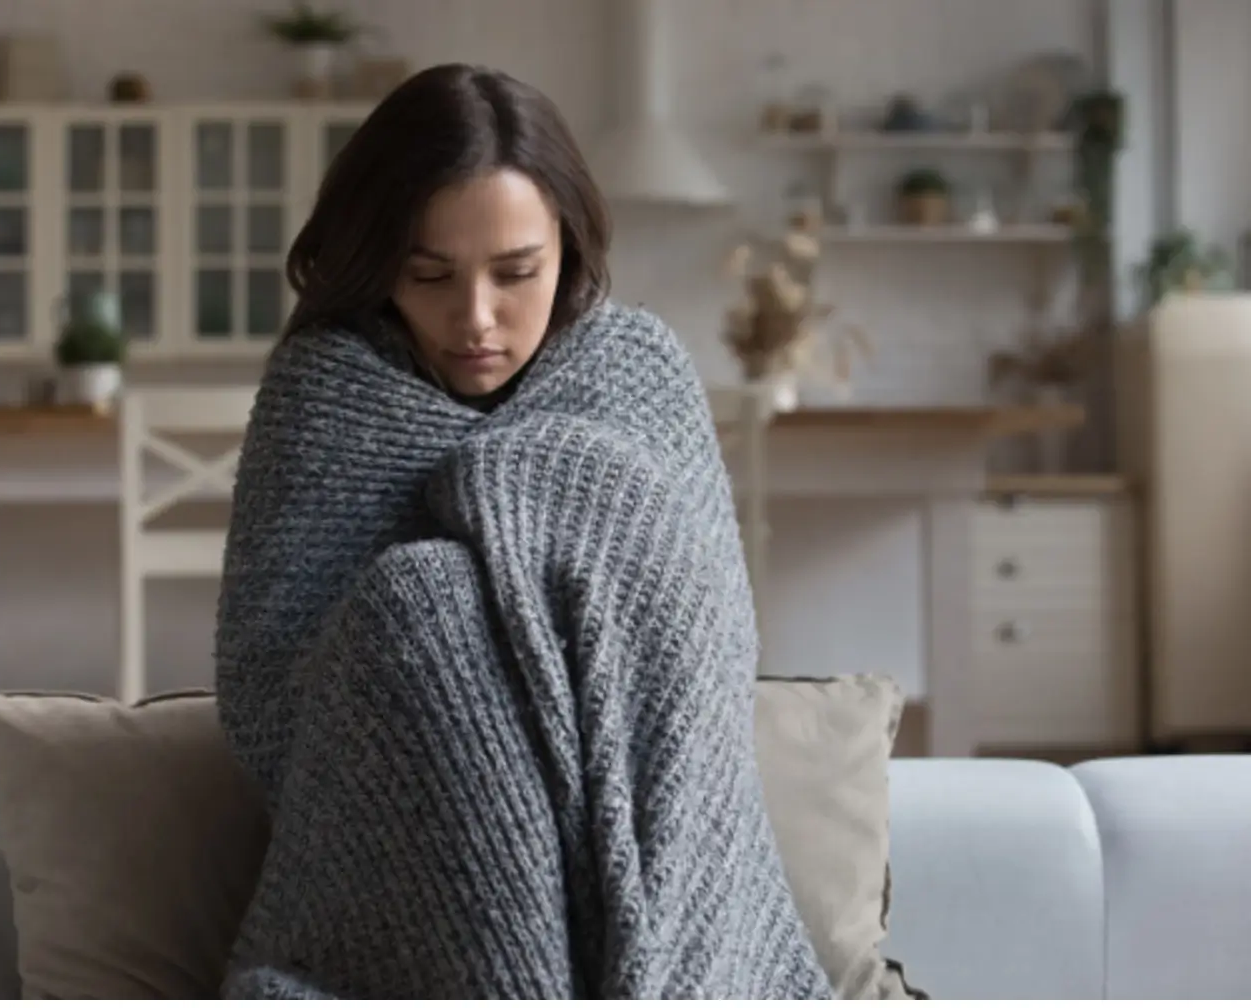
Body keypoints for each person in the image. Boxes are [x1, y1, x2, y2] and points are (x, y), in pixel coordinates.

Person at [214, 63, 831, 1000]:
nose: (476, 320)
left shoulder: (636, 376)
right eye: (429, 276)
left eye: (516, 275)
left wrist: (527, 495)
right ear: (377, 264)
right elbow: (268, 694)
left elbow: (707, 646)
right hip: (397, 842)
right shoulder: (319, 398)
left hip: (629, 799)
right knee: (425, 606)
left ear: (568, 250)